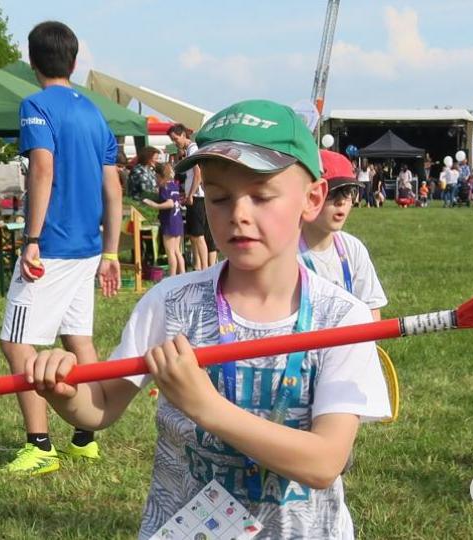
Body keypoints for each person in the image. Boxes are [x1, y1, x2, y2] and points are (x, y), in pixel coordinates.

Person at [23, 99, 391, 539]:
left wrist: (205, 407)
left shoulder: (341, 317)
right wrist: (66, 392)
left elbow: (324, 463)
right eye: (219, 196)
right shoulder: (172, 302)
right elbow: (100, 407)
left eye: (261, 195)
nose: (238, 212)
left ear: (311, 199)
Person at [0, 20, 122, 476]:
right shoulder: (94, 112)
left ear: (32, 62)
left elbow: (43, 171)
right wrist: (110, 252)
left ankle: (40, 446)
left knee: (16, 343)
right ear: (73, 63)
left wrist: (31, 241)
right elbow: (114, 188)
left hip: (51, 248)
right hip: (88, 248)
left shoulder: (35, 104)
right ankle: (85, 439)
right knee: (78, 338)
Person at [301, 149, 388, 321]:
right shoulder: (287, 254)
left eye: (349, 192)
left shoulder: (353, 249)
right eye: (332, 193)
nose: (342, 201)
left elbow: (372, 310)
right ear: (309, 197)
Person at [168, 123, 217, 270]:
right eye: (173, 139)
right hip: (194, 196)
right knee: (195, 236)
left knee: (198, 235)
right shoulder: (188, 150)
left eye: (176, 138)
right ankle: (199, 266)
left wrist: (190, 194)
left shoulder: (192, 149)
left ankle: (204, 267)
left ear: (183, 135)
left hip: (197, 197)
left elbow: (198, 174)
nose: (175, 142)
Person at [142, 163, 185, 276]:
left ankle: (172, 277)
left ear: (160, 176)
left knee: (170, 252)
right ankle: (183, 275)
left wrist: (154, 205)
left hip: (169, 221)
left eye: (156, 177)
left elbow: (170, 203)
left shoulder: (164, 187)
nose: (156, 179)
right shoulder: (174, 185)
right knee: (177, 251)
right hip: (178, 220)